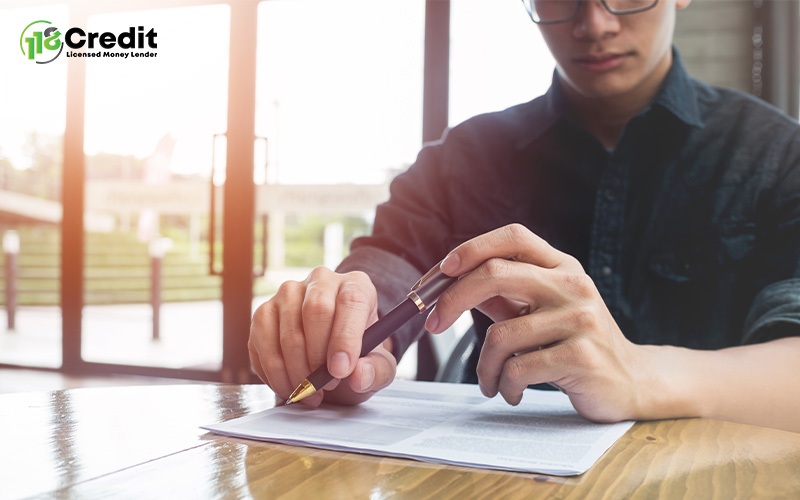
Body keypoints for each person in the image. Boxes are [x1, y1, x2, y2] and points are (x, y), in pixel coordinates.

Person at [248, 0, 800, 432]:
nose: (595, 23)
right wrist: (339, 329)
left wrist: (637, 374)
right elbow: (386, 267)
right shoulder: (463, 157)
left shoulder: (778, 156)